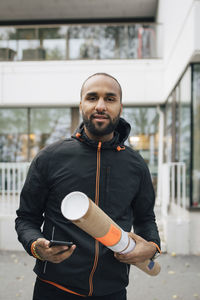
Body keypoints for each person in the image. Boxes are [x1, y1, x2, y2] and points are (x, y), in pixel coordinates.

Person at [15, 73, 161, 300]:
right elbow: (26, 218)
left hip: (112, 291)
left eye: (110, 99)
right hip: (54, 289)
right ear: (81, 104)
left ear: (120, 107)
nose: (100, 106)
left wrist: (152, 247)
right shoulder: (50, 158)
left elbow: (145, 219)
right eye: (92, 98)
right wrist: (36, 246)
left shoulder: (136, 165)